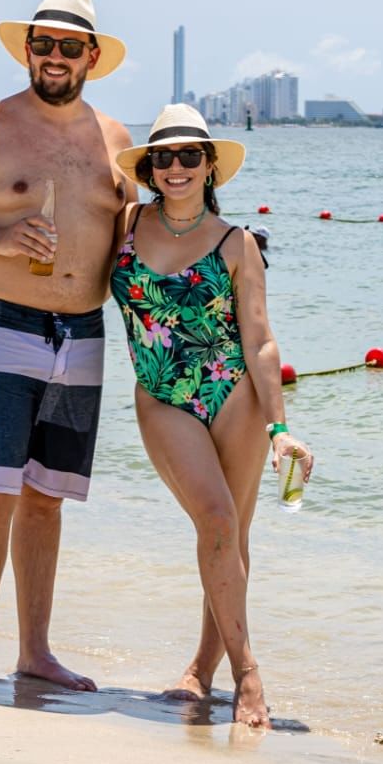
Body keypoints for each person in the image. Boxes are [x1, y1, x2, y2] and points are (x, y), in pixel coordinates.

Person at [0, 0, 134, 693]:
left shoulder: (116, 141)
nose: (54, 56)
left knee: (47, 496)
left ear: (92, 58)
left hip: (83, 332)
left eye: (70, 46)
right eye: (42, 43)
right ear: (27, 49)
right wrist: (1, 239)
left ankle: (35, 652)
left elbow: (138, 241)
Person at [110, 104, 312, 728]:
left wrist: (280, 428)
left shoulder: (236, 243)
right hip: (163, 395)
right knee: (217, 519)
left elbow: (260, 341)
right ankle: (249, 673)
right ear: (148, 168)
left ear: (210, 166)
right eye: (163, 157)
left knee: (229, 534)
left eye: (189, 156)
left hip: (235, 394)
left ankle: (202, 670)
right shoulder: (123, 222)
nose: (175, 167)